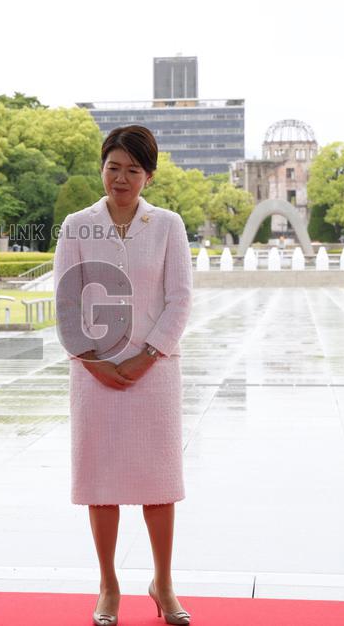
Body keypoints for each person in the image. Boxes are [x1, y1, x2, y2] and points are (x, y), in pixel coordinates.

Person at [53, 125, 193, 626]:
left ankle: (163, 583)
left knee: (158, 483)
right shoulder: (76, 224)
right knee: (101, 482)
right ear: (102, 168)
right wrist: (94, 362)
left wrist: (145, 356)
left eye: (134, 170)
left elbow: (180, 299)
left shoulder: (168, 225)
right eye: (114, 167)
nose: (122, 177)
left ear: (148, 176)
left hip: (154, 374)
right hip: (94, 374)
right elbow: (66, 302)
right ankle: (108, 586)